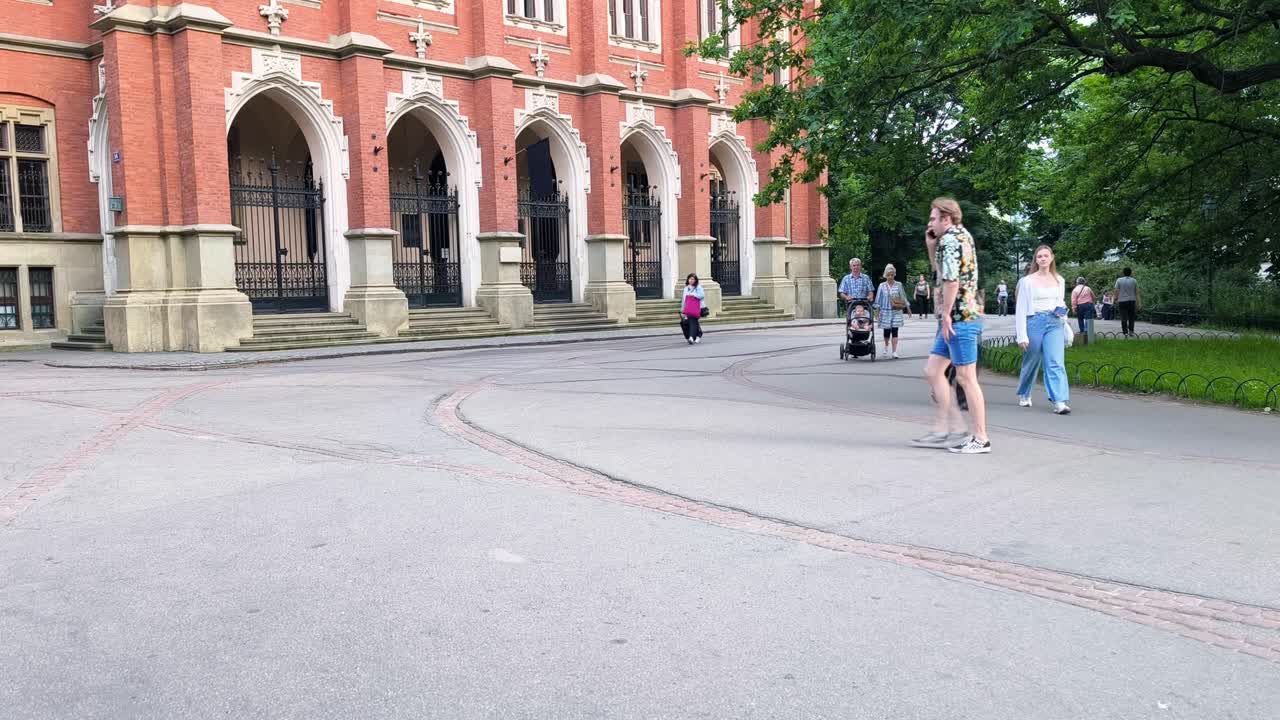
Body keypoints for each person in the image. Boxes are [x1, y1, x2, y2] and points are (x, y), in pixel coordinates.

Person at [913, 197, 990, 454]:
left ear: (946, 218)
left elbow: (950, 281)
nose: (930, 222)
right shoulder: (963, 236)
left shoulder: (949, 240)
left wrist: (945, 315)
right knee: (933, 370)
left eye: (934, 218)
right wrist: (930, 244)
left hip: (959, 319)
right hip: (961, 317)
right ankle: (949, 428)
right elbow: (940, 271)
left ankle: (980, 438)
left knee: (966, 379)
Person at [1015, 245, 1071, 415]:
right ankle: (1025, 393)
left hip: (1054, 322)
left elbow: (1060, 302)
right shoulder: (1027, 281)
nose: (1043, 259)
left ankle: (1059, 401)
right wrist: (1021, 335)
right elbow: (1021, 308)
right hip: (1034, 322)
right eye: (1039, 256)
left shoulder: (1059, 280)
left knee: (1055, 362)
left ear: (1052, 258)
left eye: (1046, 256)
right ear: (1036, 260)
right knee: (1031, 361)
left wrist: (1063, 314)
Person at [874, 264, 907, 359]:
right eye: (888, 275)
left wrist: (908, 308)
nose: (890, 277)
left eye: (892, 275)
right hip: (885, 311)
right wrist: (877, 311)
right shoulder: (882, 285)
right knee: (887, 331)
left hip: (896, 311)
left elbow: (903, 297)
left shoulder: (899, 284)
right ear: (885, 275)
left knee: (895, 331)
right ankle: (886, 346)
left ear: (894, 274)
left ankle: (894, 351)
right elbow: (878, 299)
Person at [1114, 267, 1141, 337]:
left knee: (1123, 317)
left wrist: (1115, 298)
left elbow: (1116, 290)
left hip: (1122, 301)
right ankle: (1131, 331)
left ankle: (1125, 332)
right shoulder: (1134, 281)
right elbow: (1137, 292)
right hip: (1132, 301)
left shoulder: (1119, 280)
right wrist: (1138, 302)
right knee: (1131, 317)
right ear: (1131, 273)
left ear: (1123, 273)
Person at [680, 273, 705, 344]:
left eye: (693, 279)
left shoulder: (698, 287)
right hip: (688, 309)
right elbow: (684, 300)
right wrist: (682, 310)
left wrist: (693, 295)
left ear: (695, 280)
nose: (691, 280)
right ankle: (698, 334)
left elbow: (702, 295)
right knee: (693, 322)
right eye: (690, 279)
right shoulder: (686, 288)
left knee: (692, 321)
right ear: (688, 279)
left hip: (696, 308)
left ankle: (691, 337)